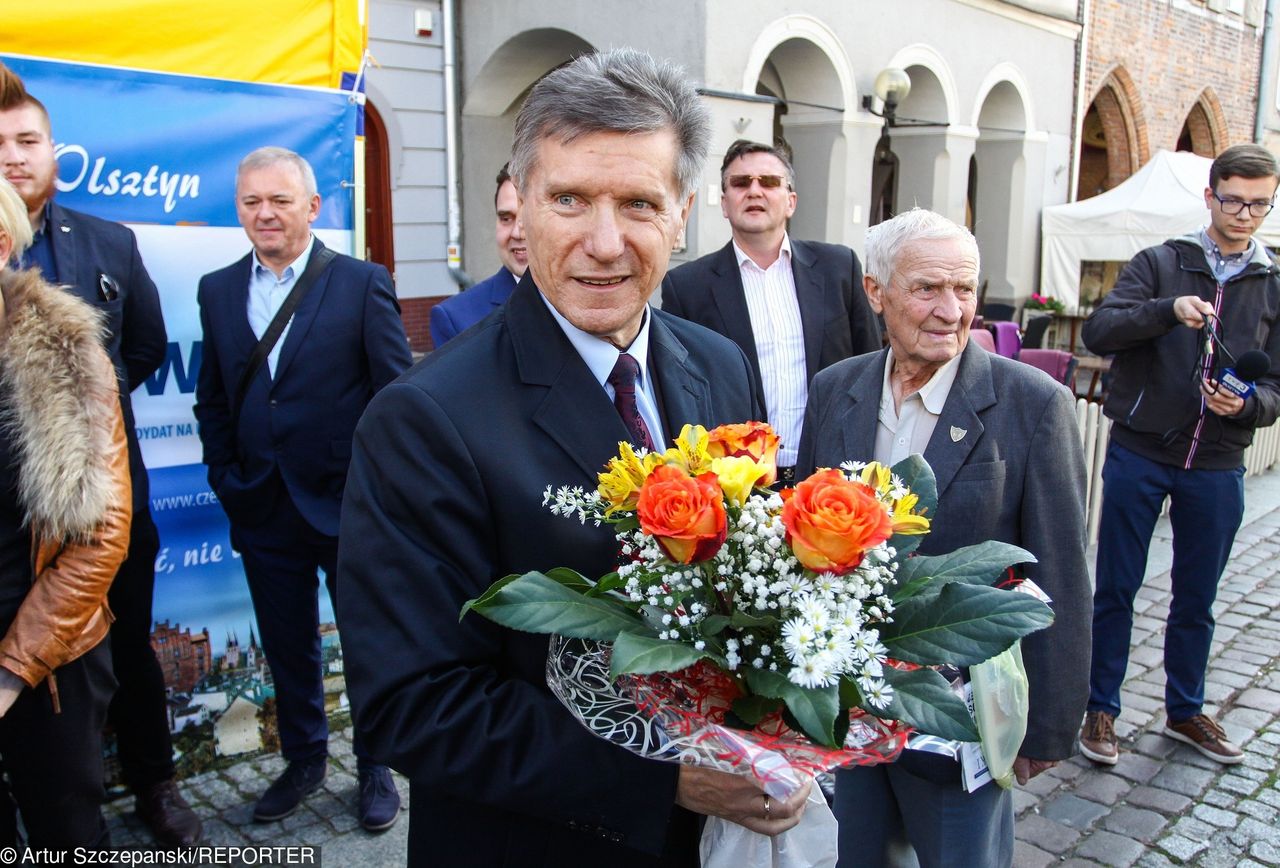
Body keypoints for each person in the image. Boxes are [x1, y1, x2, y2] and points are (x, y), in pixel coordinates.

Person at [337, 48, 812, 867]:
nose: (604, 242)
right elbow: (412, 705)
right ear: (518, 208)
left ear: (683, 212)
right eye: (569, 200)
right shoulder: (423, 419)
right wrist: (667, 778)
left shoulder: (720, 363)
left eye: (638, 202)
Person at [796, 208, 1091, 867]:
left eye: (964, 289)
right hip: (852, 705)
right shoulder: (835, 388)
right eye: (927, 288)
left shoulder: (1033, 404)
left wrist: (1049, 724)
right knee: (857, 855)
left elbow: (1065, 571)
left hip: (962, 718)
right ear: (876, 292)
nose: (950, 310)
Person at [0, 63, 197, 846]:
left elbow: (142, 348)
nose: (15, 156)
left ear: (54, 149)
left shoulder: (108, 241)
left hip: (102, 500)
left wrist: (86, 413)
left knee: (123, 648)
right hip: (10, 530)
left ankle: (152, 784)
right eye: (1, 144)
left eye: (28, 140)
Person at [193, 147, 412, 829]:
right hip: (262, 505)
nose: (265, 213)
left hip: (348, 506)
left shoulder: (359, 282)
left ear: (313, 208)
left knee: (368, 641)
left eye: (279, 200)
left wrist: (380, 497)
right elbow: (215, 401)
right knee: (287, 645)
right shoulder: (217, 290)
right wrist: (227, 479)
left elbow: (394, 400)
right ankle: (305, 759)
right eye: (251, 201)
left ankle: (376, 765)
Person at [1078, 143, 1280, 767]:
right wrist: (1165, 311)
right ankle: (1101, 708)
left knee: (1198, 596)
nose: (1245, 213)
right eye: (1234, 200)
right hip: (1141, 452)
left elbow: (1275, 388)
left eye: (1260, 204)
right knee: (1116, 587)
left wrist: (1246, 409)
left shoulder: (1272, 283)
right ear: (1210, 196)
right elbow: (1100, 330)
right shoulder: (1161, 263)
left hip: (1218, 464)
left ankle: (1186, 711)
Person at [0, 177, 132, 848]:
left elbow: (99, 539)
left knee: (67, 833)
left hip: (50, 658)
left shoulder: (65, 352)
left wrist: (11, 670)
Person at [662, 138, 881, 479]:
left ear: (790, 201)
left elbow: (872, 365)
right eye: (740, 183)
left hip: (831, 473)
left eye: (768, 182)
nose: (754, 191)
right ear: (724, 203)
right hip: (738, 484)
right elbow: (680, 390)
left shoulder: (839, 268)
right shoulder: (687, 286)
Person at [429, 163, 527, 347]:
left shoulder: (590, 302)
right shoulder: (458, 319)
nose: (517, 232)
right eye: (506, 218)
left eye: (527, 218)